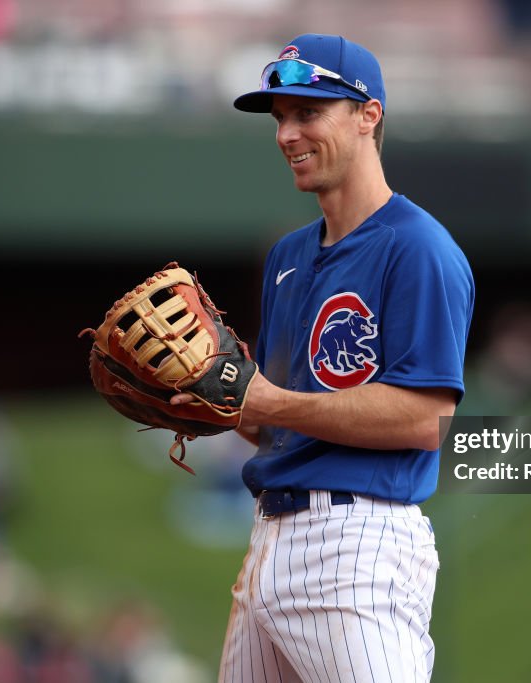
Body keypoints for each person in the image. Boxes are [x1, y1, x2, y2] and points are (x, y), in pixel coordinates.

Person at [177, 33, 474, 682]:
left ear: (368, 115)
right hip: (267, 543)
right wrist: (218, 398)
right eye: (280, 117)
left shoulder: (418, 248)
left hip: (356, 544)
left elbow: (426, 418)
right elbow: (274, 419)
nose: (286, 133)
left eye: (308, 112)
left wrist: (268, 400)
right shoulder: (285, 257)